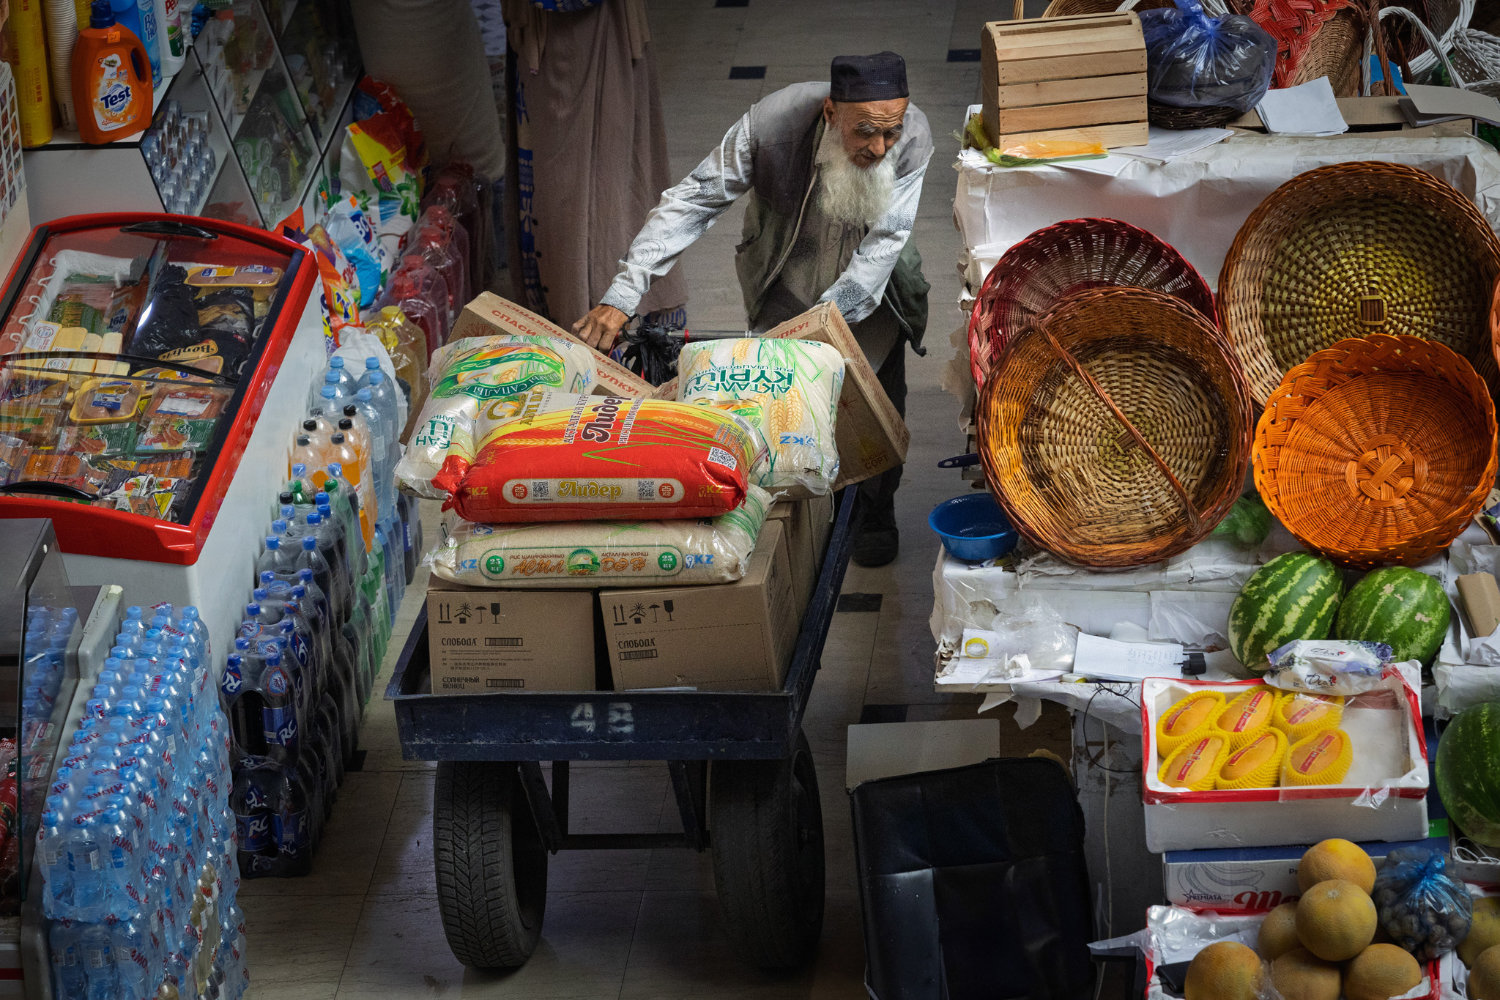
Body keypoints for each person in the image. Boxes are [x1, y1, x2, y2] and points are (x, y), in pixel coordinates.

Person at [574, 51, 933, 568]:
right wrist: (622, 295)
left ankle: (877, 511)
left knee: (874, 402)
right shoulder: (772, 124)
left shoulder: (913, 137)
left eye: (890, 132)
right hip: (785, 278)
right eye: (866, 132)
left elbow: (886, 242)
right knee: (779, 407)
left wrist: (823, 330)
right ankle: (799, 513)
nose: (880, 148)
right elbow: (694, 200)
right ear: (831, 114)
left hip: (870, 296)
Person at [502, 0, 689, 339]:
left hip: (586, 31)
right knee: (578, 182)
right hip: (547, 34)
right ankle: (584, 312)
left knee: (598, 178)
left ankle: (602, 321)